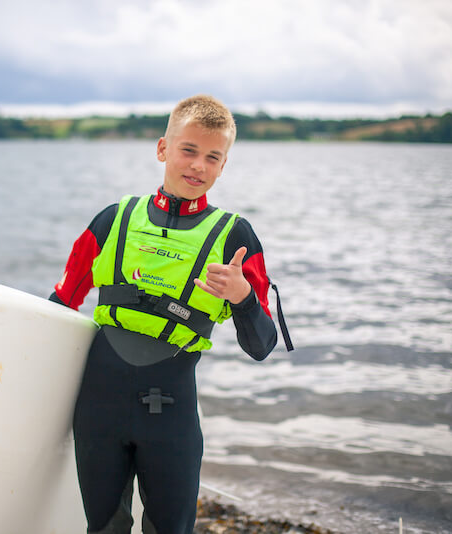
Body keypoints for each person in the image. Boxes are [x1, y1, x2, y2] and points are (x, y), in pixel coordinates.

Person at [50, 94, 292, 534]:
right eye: (189, 150)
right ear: (163, 149)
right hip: (97, 409)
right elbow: (59, 306)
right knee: (104, 528)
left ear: (223, 167)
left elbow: (262, 346)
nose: (198, 165)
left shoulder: (234, 237)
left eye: (212, 157)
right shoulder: (113, 220)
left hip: (172, 416)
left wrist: (241, 297)